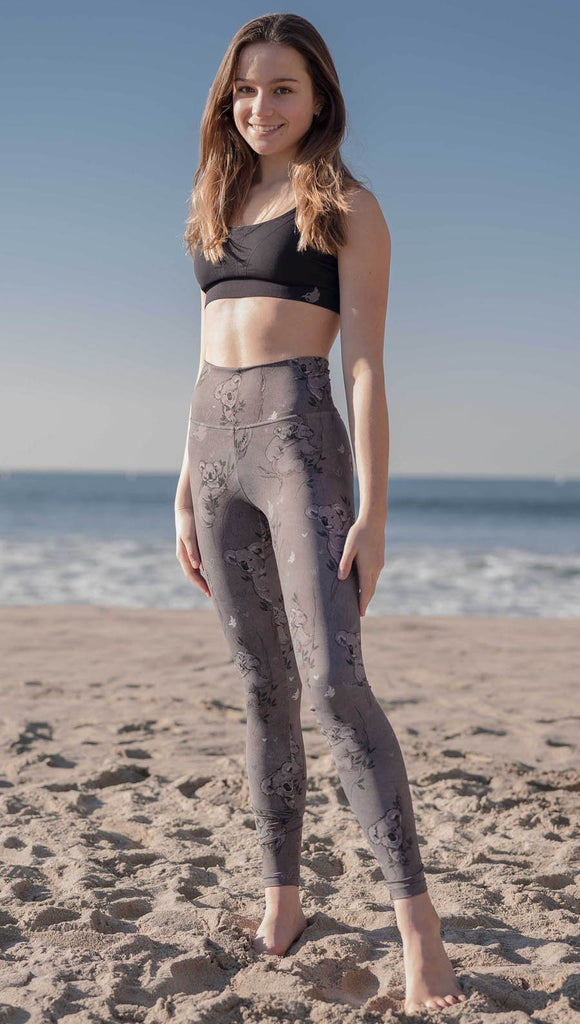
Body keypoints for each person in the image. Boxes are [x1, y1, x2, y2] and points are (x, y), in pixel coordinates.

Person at [175, 13, 467, 1014]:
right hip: (215, 456)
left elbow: (367, 365)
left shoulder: (342, 201)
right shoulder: (215, 198)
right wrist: (183, 479)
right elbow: (205, 343)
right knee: (261, 688)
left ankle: (416, 924)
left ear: (321, 98)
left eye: (283, 88)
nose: (261, 107)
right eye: (245, 90)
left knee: (336, 684)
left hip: (299, 446)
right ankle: (282, 898)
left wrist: (374, 512)